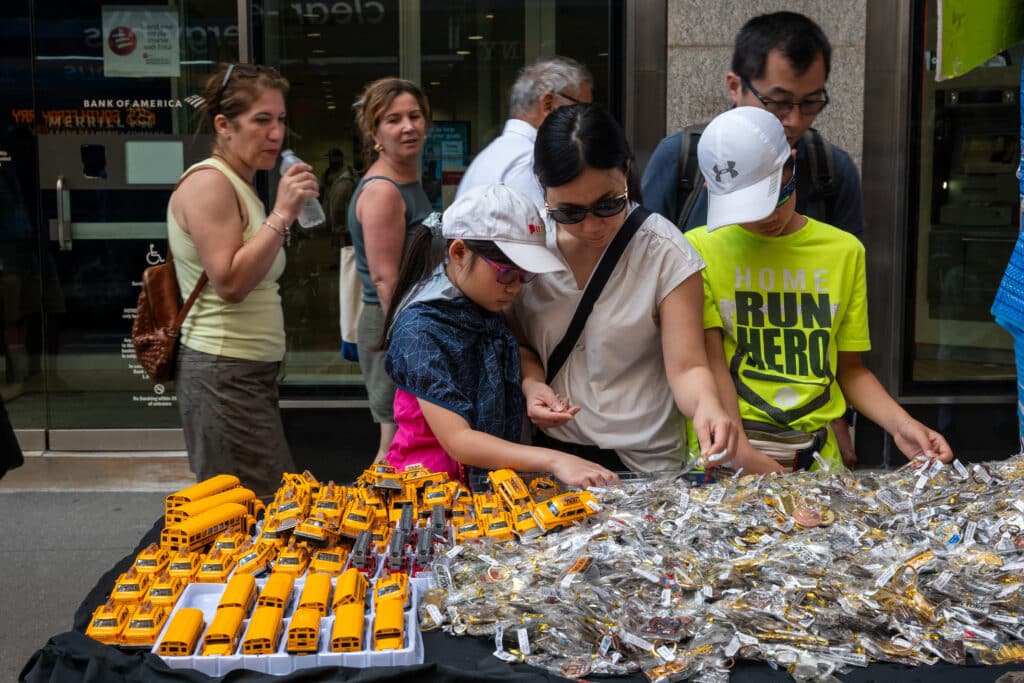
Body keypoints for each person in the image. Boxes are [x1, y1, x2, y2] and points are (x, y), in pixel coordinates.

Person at [642, 11, 863, 468]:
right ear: (734, 86)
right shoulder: (681, 161)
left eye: (812, 102)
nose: (794, 120)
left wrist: (834, 414)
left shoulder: (831, 169)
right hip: (701, 412)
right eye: (779, 103)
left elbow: (837, 331)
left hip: (806, 431)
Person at [686, 106, 952, 474]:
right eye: (746, 209)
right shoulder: (697, 250)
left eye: (775, 197)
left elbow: (850, 370)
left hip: (816, 463)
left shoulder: (844, 252)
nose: (765, 218)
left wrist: (902, 425)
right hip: (728, 461)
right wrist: (745, 458)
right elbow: (711, 367)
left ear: (792, 166)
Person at [507, 103, 736, 475]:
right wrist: (532, 384)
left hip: (645, 465)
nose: (591, 226)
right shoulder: (528, 248)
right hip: (556, 458)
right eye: (569, 212)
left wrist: (707, 404)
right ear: (543, 189)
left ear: (626, 170)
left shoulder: (666, 252)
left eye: (608, 204)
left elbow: (689, 366)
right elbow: (520, 343)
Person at [381, 184, 618, 488]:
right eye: (507, 274)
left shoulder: (480, 295)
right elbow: (459, 441)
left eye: (525, 276)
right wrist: (555, 459)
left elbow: (518, 348)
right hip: (431, 489)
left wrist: (532, 385)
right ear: (458, 252)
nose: (515, 287)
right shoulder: (421, 328)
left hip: (487, 486)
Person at [168, 63, 319, 496]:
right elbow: (230, 283)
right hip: (223, 373)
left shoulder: (239, 183)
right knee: (255, 510)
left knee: (255, 508)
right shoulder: (210, 185)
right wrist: (283, 213)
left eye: (281, 120)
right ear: (224, 125)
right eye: (262, 120)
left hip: (243, 371)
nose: (276, 134)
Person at [348, 78, 433, 463]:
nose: (408, 126)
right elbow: (386, 281)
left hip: (406, 323)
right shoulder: (383, 191)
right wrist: (411, 346)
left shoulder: (407, 181)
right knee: (394, 442)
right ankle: (374, 517)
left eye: (414, 116)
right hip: (392, 326)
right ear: (374, 132)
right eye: (393, 119)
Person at [456, 56, 593, 214]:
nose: (587, 122)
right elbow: (546, 235)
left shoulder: (490, 156)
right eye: (583, 110)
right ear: (548, 104)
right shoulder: (530, 161)